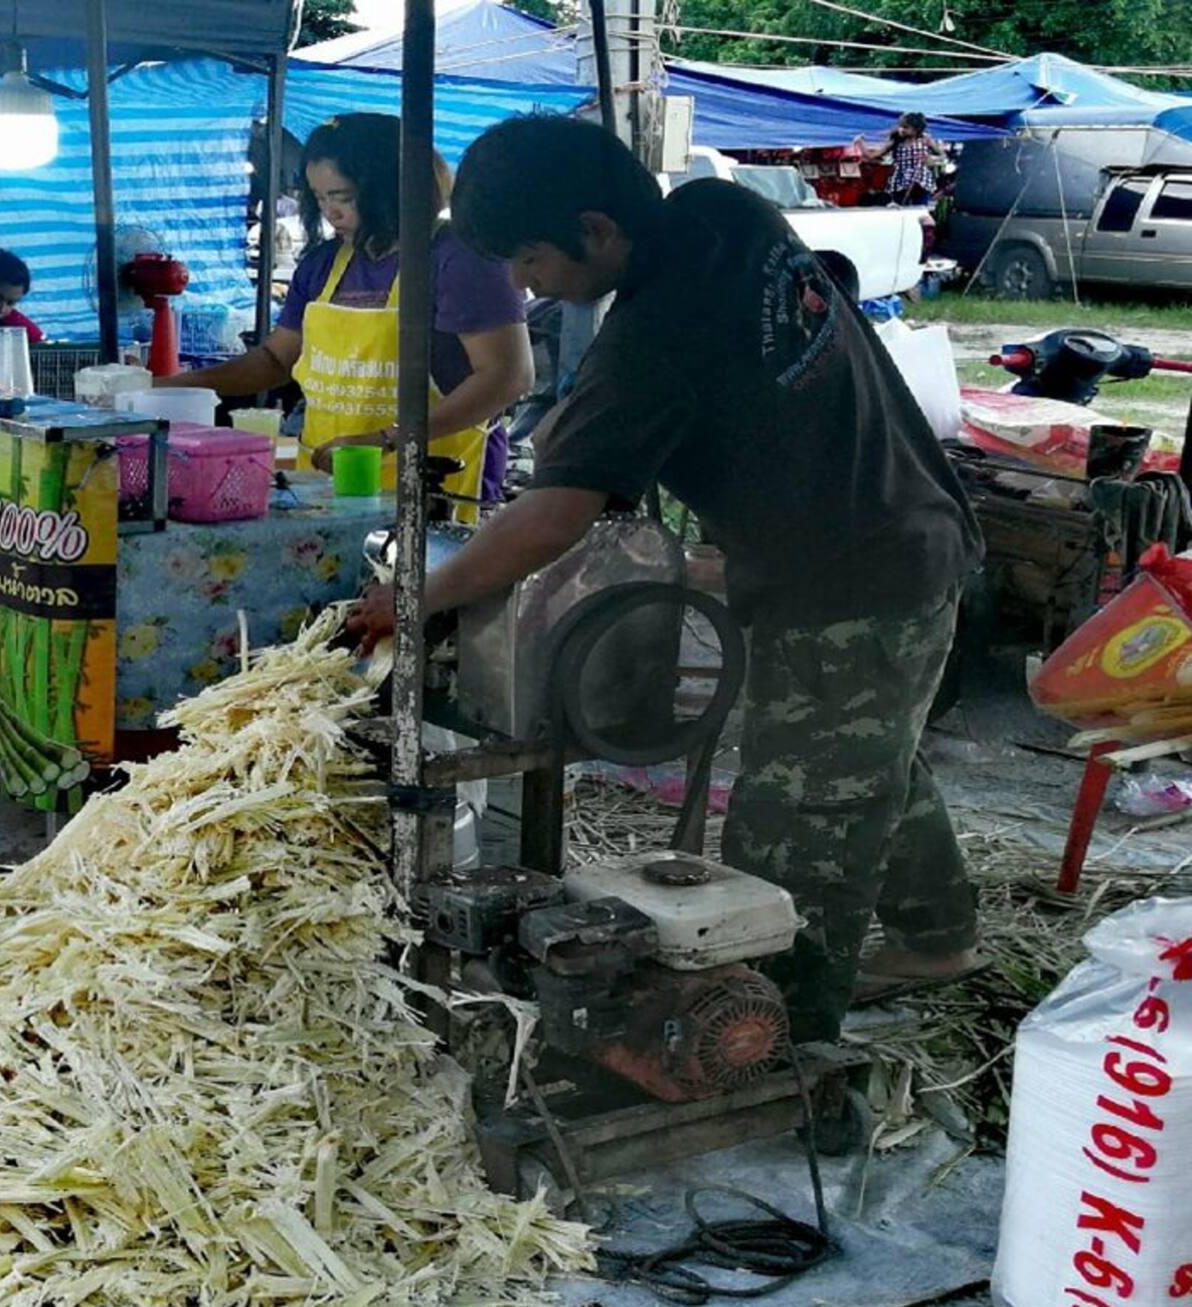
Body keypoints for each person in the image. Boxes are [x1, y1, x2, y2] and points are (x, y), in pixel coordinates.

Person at [347, 116, 984, 1045]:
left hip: (848, 583)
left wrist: (411, 599)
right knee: (869, 759)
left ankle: (775, 1046)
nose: (526, 287)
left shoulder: (650, 338)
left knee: (796, 824)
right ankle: (939, 938)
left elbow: (558, 515)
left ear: (597, 229)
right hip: (913, 527)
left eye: (532, 263)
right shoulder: (724, 213)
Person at [162, 114, 532, 507]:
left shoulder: (458, 259)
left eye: (343, 197)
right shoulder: (323, 263)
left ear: (394, 187)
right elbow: (274, 360)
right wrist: (175, 386)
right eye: (319, 198)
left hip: (433, 486)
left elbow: (509, 376)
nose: (329, 213)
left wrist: (387, 440)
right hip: (326, 485)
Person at [877, 113, 940, 207]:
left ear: (916, 129)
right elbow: (876, 154)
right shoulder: (897, 141)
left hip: (920, 180)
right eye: (900, 126)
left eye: (905, 127)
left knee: (919, 209)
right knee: (898, 208)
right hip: (900, 181)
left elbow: (942, 155)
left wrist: (932, 160)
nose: (901, 129)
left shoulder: (925, 139)